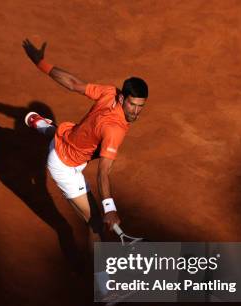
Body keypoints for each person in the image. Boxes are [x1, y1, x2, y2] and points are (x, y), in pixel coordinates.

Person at [22, 38, 148, 252]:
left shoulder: (109, 92)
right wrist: (109, 208)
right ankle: (100, 283)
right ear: (122, 98)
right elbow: (103, 173)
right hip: (65, 166)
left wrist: (41, 64)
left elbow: (72, 83)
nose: (135, 112)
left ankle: (41, 125)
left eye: (140, 107)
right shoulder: (114, 130)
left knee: (75, 136)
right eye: (132, 105)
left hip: (68, 137)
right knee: (96, 226)